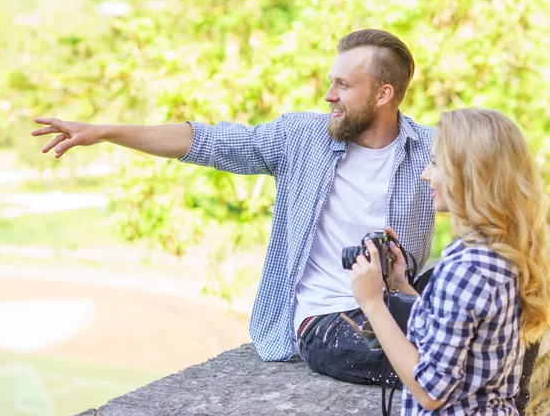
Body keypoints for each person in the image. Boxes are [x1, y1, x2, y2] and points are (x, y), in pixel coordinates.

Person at [32, 29, 436, 384]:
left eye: (343, 85)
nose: (329, 95)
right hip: (333, 319)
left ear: (384, 94)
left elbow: (490, 199)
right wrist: (106, 132)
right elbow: (206, 141)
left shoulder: (431, 150)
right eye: (331, 82)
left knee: (475, 301)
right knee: (422, 357)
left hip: (399, 300)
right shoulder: (300, 137)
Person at [349, 108, 550, 414]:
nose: (425, 174)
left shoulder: (465, 270)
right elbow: (458, 336)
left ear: (468, 173)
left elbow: (430, 391)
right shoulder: (502, 253)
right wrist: (401, 284)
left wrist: (373, 303)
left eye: (434, 163)